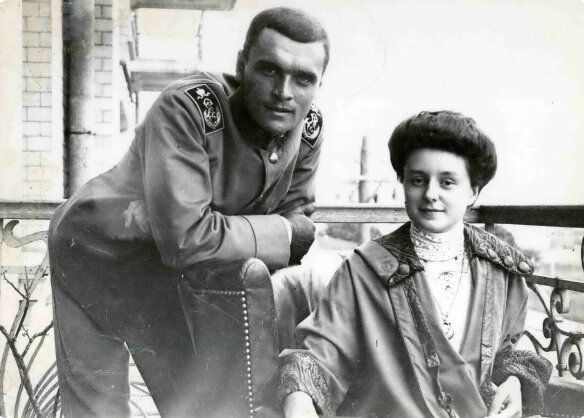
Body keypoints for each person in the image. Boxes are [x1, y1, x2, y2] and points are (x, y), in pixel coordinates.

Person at [48, 7, 332, 417]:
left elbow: (298, 220)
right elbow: (187, 238)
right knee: (99, 406)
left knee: (197, 406)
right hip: (95, 248)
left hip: (178, 272)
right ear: (242, 65)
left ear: (319, 83)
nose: (284, 92)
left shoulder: (308, 128)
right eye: (270, 70)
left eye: (303, 79)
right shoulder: (189, 108)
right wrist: (283, 234)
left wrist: (284, 235)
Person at [278, 111, 552, 418]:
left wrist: (515, 381)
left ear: (473, 191)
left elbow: (505, 352)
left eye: (447, 182)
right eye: (418, 180)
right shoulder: (363, 270)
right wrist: (299, 397)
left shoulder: (502, 272)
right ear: (403, 183)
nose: (431, 194)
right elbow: (321, 352)